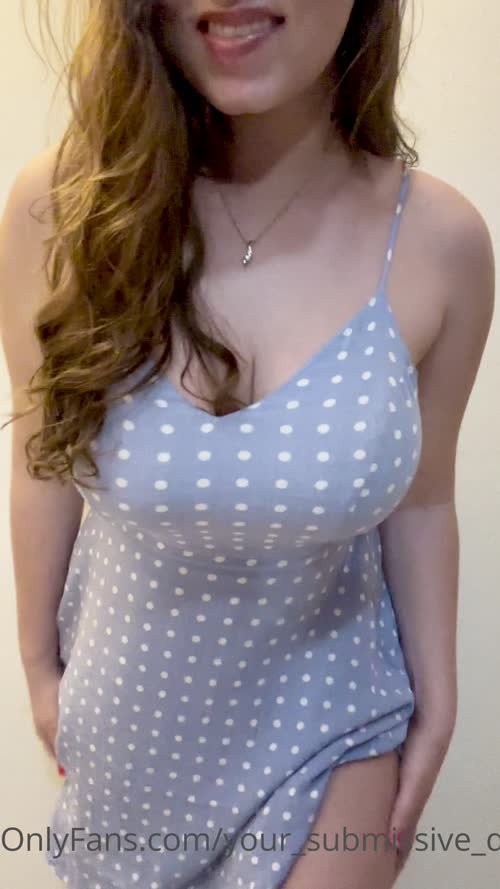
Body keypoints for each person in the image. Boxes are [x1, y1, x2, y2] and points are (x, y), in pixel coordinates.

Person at [0, 1, 495, 888]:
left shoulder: (439, 244)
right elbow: (43, 457)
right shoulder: (61, 211)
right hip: (126, 740)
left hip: (332, 725)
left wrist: (439, 703)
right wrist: (38, 669)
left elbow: (423, 498)